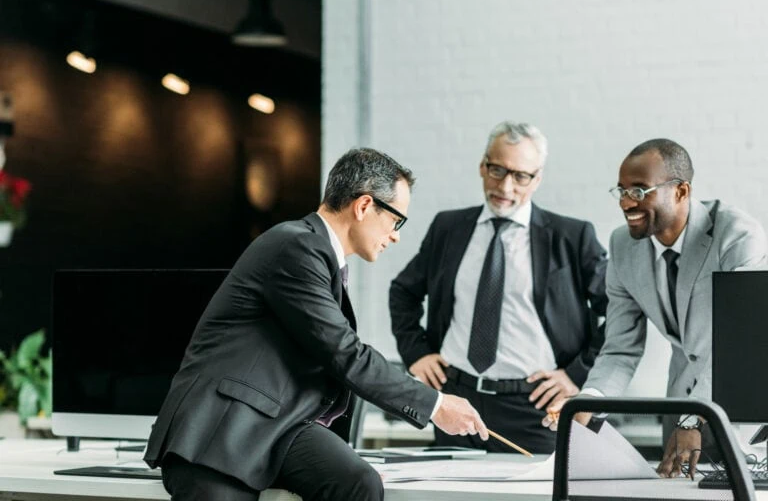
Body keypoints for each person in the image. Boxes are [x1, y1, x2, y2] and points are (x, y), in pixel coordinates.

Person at [144, 148, 489, 501]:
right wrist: (435, 404)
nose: (396, 235)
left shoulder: (320, 258)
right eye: (396, 220)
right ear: (364, 206)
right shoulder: (296, 246)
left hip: (279, 426)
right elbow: (342, 352)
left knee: (358, 481)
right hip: (225, 429)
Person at [543, 138, 768, 478]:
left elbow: (740, 344)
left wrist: (692, 417)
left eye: (639, 191)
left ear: (680, 191)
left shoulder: (737, 234)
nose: (625, 203)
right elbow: (620, 348)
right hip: (680, 404)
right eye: (620, 191)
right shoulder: (622, 245)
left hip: (742, 408)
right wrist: (587, 402)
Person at [389, 122, 608, 454]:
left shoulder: (571, 237)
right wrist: (415, 353)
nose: (506, 186)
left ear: (538, 179)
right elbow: (403, 291)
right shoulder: (448, 228)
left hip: (535, 408)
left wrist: (578, 373)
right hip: (457, 401)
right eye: (497, 170)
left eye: (521, 176)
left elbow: (620, 313)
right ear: (482, 166)